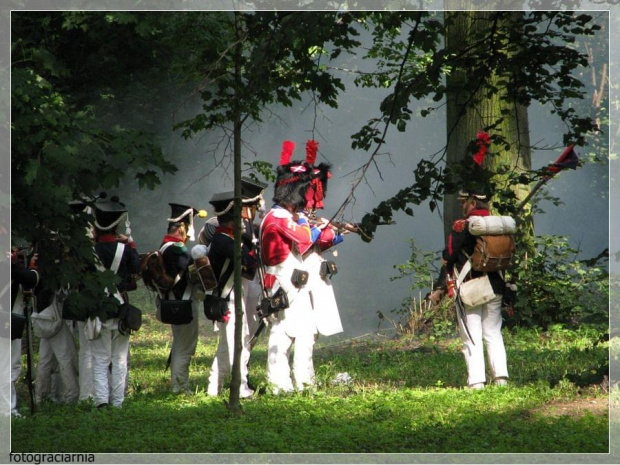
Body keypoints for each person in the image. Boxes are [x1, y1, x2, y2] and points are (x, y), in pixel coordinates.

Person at [259, 140, 322, 393]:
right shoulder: (279, 218)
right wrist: (306, 221)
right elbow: (305, 239)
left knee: (283, 333)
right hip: (287, 282)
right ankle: (302, 383)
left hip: (282, 281)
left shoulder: (276, 217)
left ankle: (280, 385)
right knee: (301, 334)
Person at [205, 178, 265, 397]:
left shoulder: (228, 238)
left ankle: (214, 386)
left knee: (228, 343)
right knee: (235, 342)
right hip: (227, 297)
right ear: (231, 219)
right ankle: (238, 388)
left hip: (233, 295)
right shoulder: (223, 241)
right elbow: (248, 263)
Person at [443, 189, 509, 389]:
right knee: (493, 333)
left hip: (471, 286)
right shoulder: (498, 226)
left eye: (464, 201)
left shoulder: (462, 227)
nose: (462, 205)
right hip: (496, 284)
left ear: (472, 202)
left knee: (471, 335)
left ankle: (476, 383)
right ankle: (501, 380)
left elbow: (450, 254)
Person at [89, 197, 140, 408]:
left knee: (100, 359)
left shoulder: (89, 252)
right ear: (116, 224)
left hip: (98, 309)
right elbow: (136, 271)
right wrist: (131, 245)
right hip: (121, 309)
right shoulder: (125, 250)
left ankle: (101, 400)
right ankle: (117, 402)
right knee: (119, 360)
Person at [160, 203, 203, 394]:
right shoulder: (176, 248)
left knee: (181, 344)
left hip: (175, 301)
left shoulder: (165, 246)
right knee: (184, 348)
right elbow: (194, 268)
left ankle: (179, 385)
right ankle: (180, 387)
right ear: (181, 228)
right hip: (183, 302)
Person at [9, 245, 39, 416]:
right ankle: (8, 408)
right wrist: (32, 268)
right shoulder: (9, 266)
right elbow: (31, 279)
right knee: (10, 365)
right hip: (7, 321)